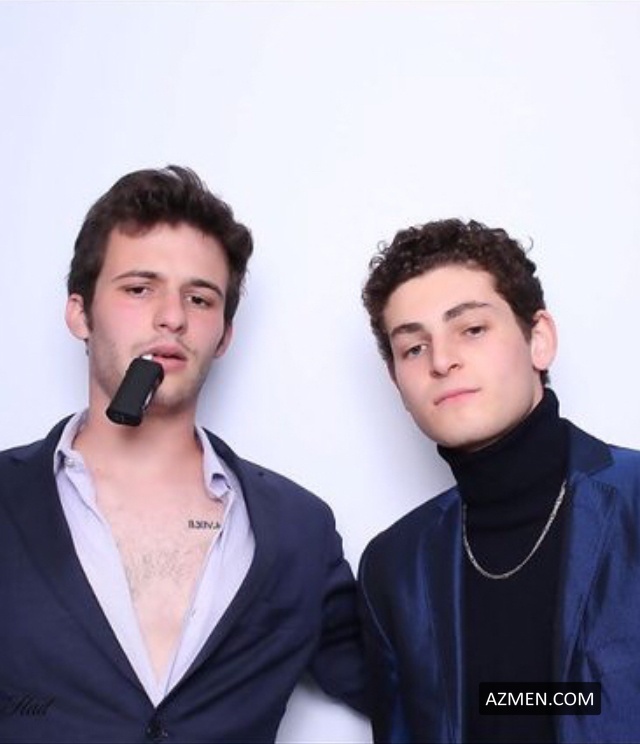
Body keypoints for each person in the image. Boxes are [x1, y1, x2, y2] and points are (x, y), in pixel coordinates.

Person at [0, 166, 366, 743]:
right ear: (79, 313)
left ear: (223, 335)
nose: (172, 317)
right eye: (139, 288)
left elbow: (418, 688)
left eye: (199, 298)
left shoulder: (300, 530)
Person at [358, 218, 640, 743]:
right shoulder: (394, 567)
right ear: (396, 380)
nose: (443, 361)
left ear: (539, 340)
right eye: (414, 348)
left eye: (472, 329)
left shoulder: (632, 502)